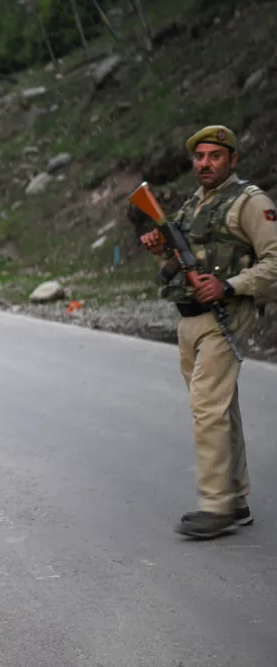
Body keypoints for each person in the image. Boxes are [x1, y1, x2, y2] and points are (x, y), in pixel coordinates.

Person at [139, 125, 277, 540]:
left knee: (207, 406)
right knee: (218, 408)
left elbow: (274, 262)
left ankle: (217, 506)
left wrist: (229, 286)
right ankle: (236, 499)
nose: (205, 163)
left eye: (215, 156)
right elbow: (182, 259)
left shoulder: (250, 203)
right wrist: (159, 249)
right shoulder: (195, 204)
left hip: (225, 314)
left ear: (232, 160)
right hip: (189, 318)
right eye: (199, 157)